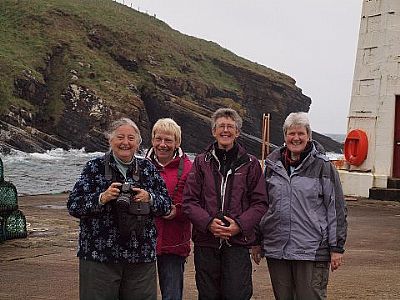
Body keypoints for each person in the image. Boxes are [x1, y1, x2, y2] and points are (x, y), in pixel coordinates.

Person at [67, 117, 172, 300]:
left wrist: (150, 198)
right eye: (120, 137)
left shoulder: (148, 168)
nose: (125, 143)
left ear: (138, 142)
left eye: (131, 138)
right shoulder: (95, 167)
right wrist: (102, 197)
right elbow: (74, 205)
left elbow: (166, 207)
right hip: (99, 255)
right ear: (110, 140)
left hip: (140, 255)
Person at [251, 112, 348, 300]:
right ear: (285, 136)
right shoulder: (272, 165)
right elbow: (262, 204)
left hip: (311, 250)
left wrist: (336, 248)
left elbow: (336, 208)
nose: (296, 138)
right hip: (277, 248)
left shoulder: (323, 166)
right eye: (291, 133)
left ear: (309, 136)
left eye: (301, 134)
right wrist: (257, 241)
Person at [183, 107, 268, 300]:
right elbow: (189, 201)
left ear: (237, 132)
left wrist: (239, 225)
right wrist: (208, 223)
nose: (225, 130)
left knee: (237, 295)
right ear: (213, 131)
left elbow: (260, 202)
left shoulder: (251, 164)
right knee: (208, 295)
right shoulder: (200, 162)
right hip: (207, 243)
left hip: (238, 244)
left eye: (230, 126)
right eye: (221, 126)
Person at [145, 118, 193, 300]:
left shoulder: (190, 168)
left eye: (168, 140)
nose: (162, 145)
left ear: (177, 143)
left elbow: (194, 204)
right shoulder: (140, 166)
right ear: (152, 140)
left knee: (172, 295)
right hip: (144, 242)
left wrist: (177, 211)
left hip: (174, 244)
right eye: (158, 139)